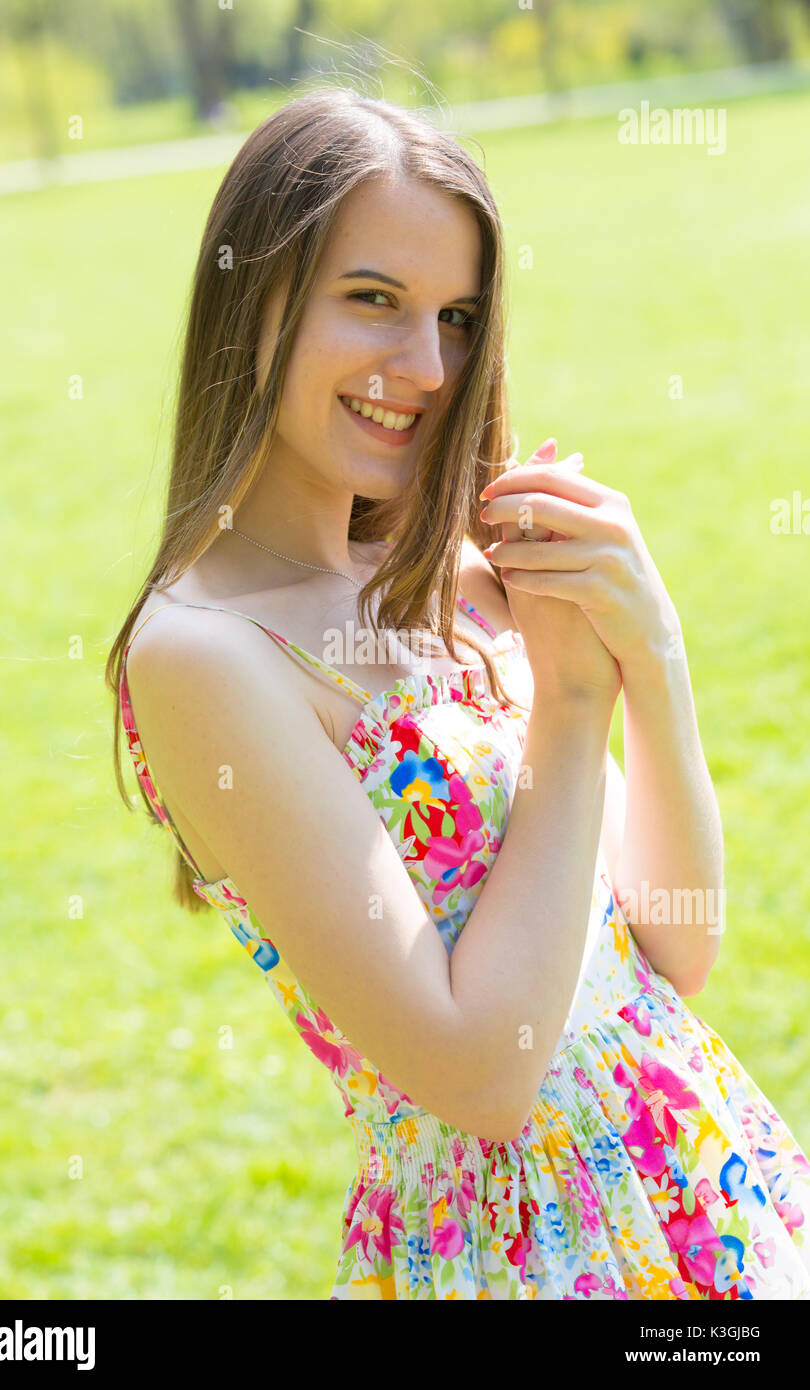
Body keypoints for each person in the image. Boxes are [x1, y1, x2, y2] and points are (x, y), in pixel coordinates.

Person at [105, 86, 810, 1300]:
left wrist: (655, 655)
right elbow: (480, 1074)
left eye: (457, 316)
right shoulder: (202, 655)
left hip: (709, 1191)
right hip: (520, 1248)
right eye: (371, 300)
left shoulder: (457, 568)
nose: (424, 368)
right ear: (254, 300)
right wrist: (573, 707)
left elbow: (674, 944)